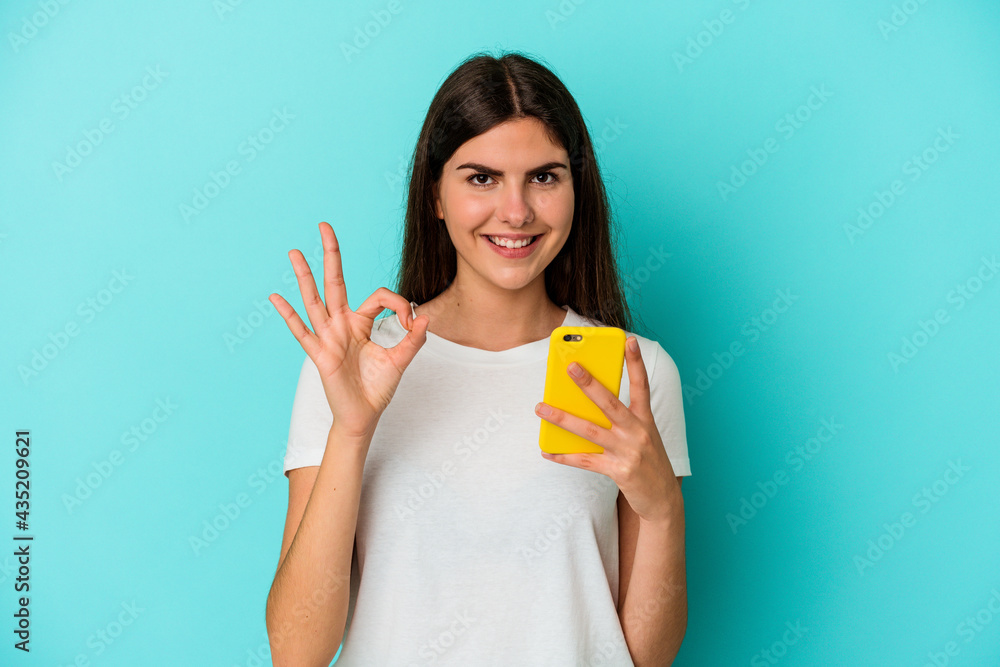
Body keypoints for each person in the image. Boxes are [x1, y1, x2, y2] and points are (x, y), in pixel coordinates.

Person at [264, 50, 691, 666]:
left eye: (544, 176)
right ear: (435, 193)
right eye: (481, 177)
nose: (516, 212)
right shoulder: (351, 371)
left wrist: (662, 510)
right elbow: (296, 651)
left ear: (578, 188)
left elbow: (646, 657)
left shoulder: (634, 372)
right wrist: (352, 429)